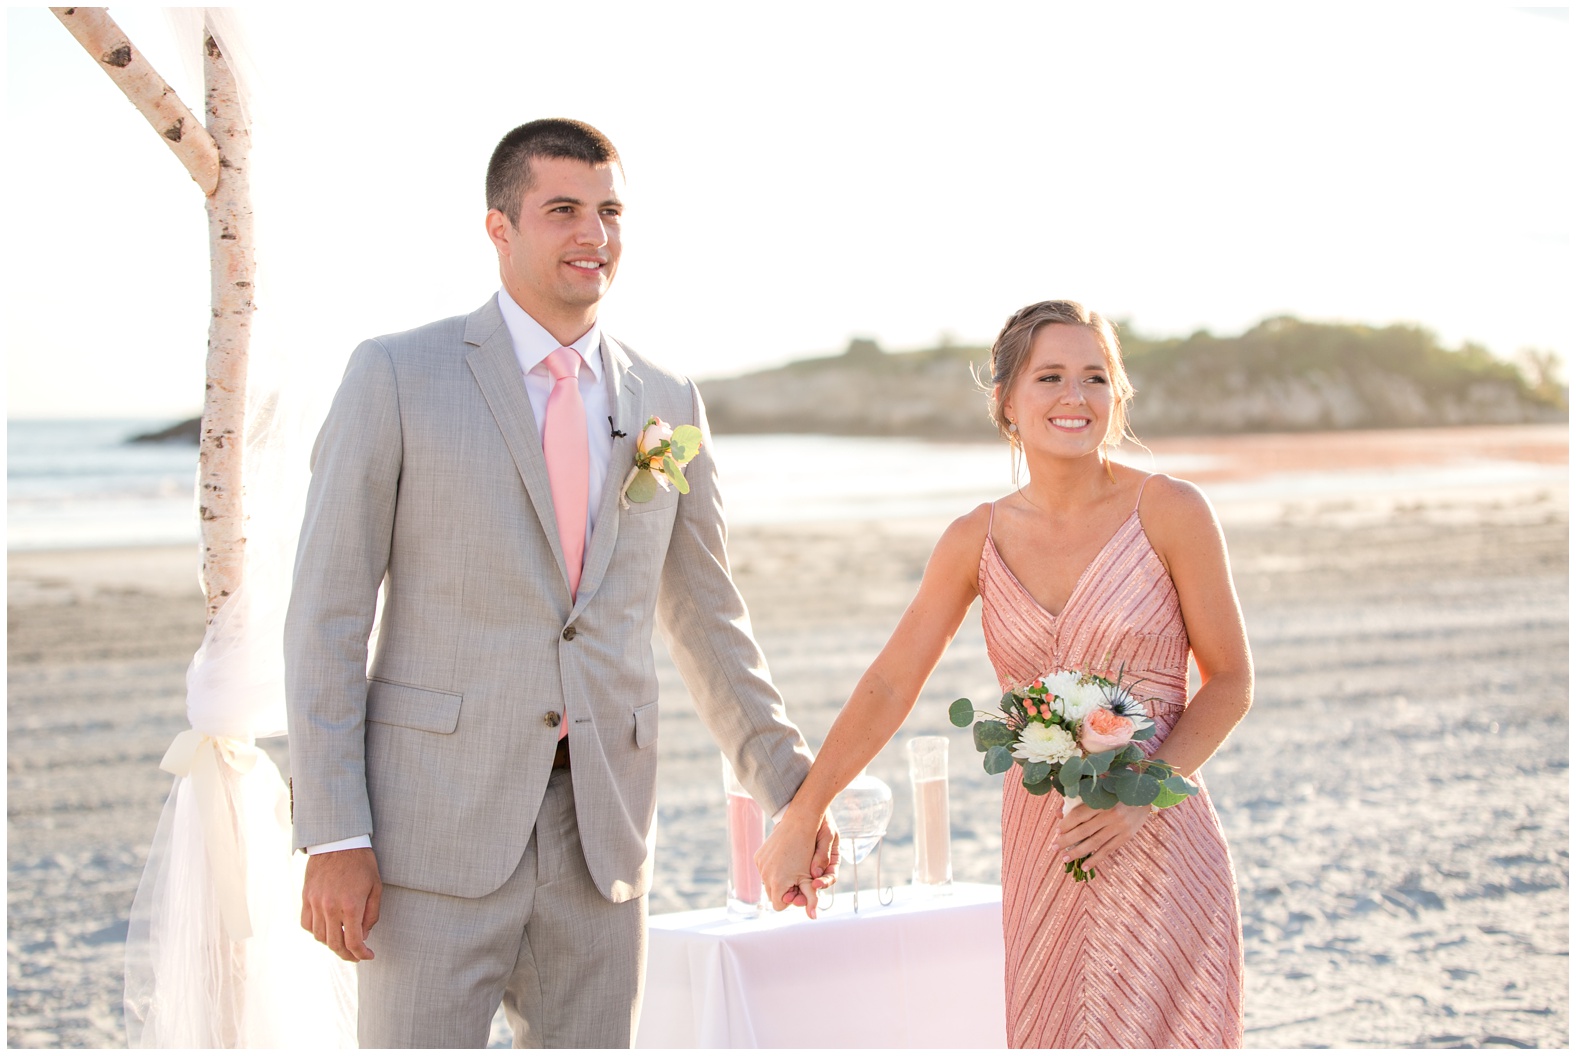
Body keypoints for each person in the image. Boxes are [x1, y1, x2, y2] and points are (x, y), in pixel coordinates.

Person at [284, 117, 835, 1049]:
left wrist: (792, 787)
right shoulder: (396, 374)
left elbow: (707, 619)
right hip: (433, 834)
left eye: (611, 211)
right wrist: (333, 833)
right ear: (500, 229)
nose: (596, 235)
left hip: (603, 838)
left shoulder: (668, 400)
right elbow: (327, 617)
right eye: (564, 210)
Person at [756, 300, 1251, 1047]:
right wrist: (803, 812)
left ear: (1117, 397)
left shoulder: (1171, 510)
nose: (1074, 397)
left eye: (1095, 377)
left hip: (1158, 834)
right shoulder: (972, 539)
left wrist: (1142, 799)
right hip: (1042, 847)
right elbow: (891, 683)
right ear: (1007, 401)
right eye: (1049, 376)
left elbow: (1230, 682)